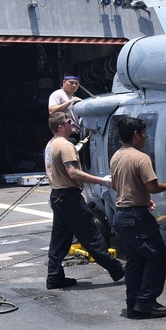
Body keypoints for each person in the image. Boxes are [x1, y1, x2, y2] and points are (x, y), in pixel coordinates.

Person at [109, 116, 166, 319]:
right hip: (136, 216)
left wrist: (142, 198)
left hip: (121, 214)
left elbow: (116, 185)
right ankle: (146, 300)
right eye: (143, 133)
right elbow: (153, 187)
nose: (145, 137)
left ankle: (133, 303)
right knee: (157, 255)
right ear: (136, 134)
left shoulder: (116, 156)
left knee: (135, 259)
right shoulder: (141, 158)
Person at [43, 111, 124, 289]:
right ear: (60, 127)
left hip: (58, 195)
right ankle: (117, 269)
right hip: (68, 198)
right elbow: (73, 173)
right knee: (91, 235)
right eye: (68, 122)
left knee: (59, 239)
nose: (71, 124)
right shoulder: (65, 145)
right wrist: (102, 181)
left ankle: (54, 276)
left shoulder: (50, 144)